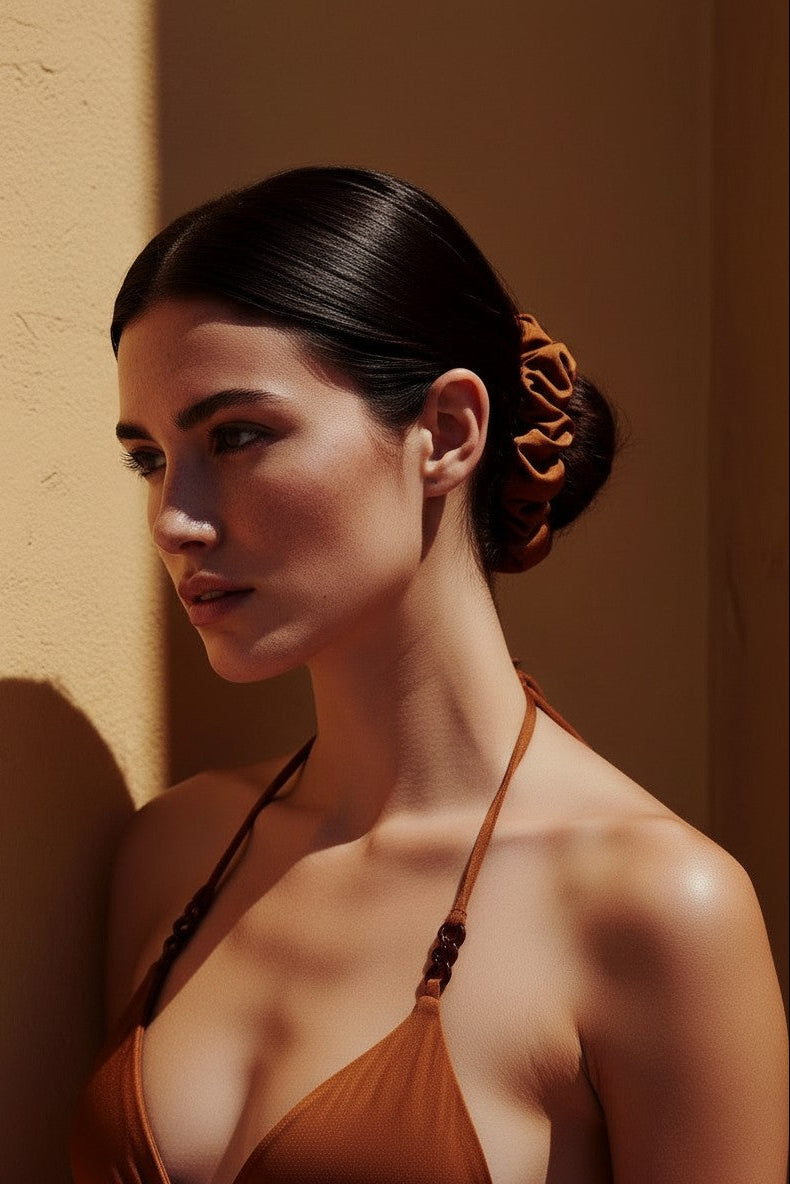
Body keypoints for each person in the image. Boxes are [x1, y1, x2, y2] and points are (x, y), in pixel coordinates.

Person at [70, 167, 787, 1184]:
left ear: (446, 431)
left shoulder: (656, 908)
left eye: (236, 435)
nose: (174, 520)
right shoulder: (173, 853)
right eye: (148, 458)